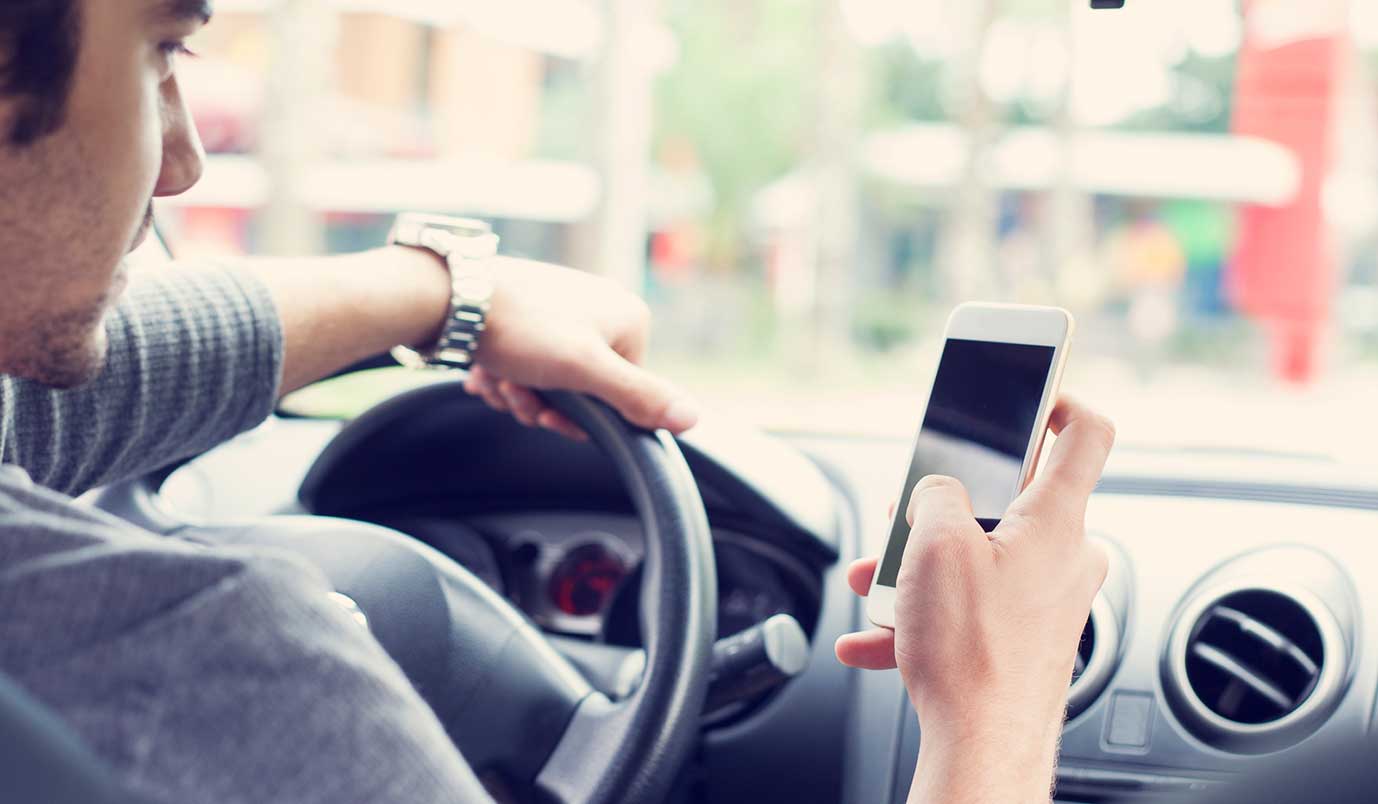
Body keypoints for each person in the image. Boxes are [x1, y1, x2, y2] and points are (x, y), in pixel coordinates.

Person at [0, 2, 1115, 802]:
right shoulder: (201, 676)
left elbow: (41, 409)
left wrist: (443, 294)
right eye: (159, 50)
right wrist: (996, 718)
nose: (182, 159)